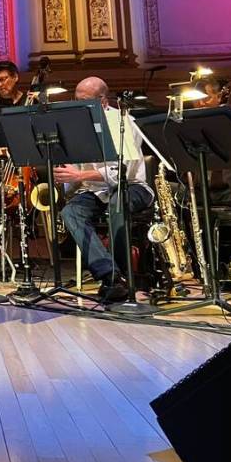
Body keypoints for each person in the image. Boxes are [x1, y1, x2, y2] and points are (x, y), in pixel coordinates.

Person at [54, 77, 154, 303]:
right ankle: (111, 276)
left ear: (102, 100)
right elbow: (76, 175)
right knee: (70, 212)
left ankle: (126, 277)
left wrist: (80, 175)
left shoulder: (124, 122)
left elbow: (123, 172)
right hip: (95, 190)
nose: (78, 106)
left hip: (132, 187)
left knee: (117, 202)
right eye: (76, 100)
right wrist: (66, 177)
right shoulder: (76, 126)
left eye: (85, 101)